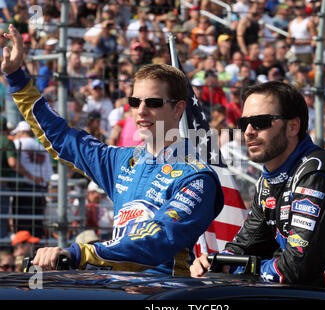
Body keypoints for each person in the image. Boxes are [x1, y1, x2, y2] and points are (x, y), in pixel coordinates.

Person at [2, 24, 224, 276]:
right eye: (134, 101)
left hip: (164, 295)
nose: (141, 110)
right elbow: (61, 138)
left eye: (152, 103)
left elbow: (158, 238)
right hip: (116, 289)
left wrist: (79, 254)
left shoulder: (196, 177)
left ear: (178, 109)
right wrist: (17, 79)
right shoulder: (120, 160)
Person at [190, 81, 325, 299]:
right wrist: (215, 262)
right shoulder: (271, 179)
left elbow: (295, 270)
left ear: (293, 127)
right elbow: (245, 245)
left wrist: (237, 267)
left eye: (260, 122)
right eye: (244, 122)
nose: (248, 132)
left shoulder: (316, 175)